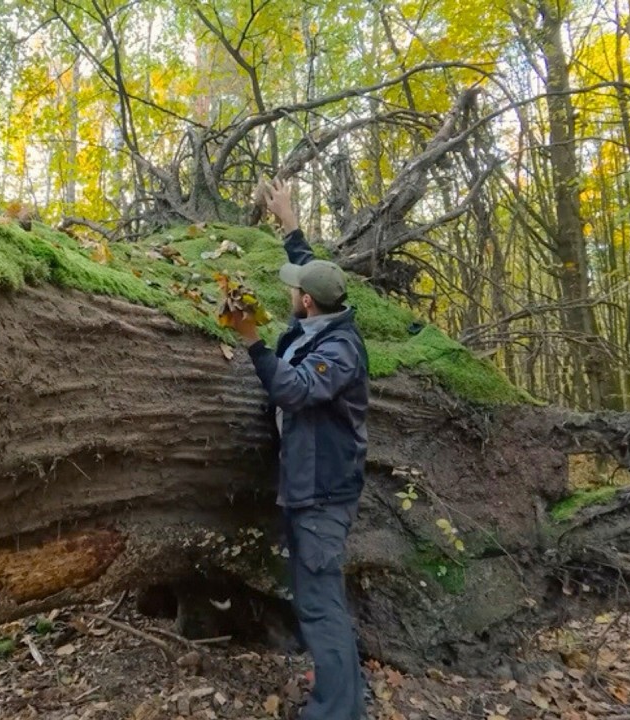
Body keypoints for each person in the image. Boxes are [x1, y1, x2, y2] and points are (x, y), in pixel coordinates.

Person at [226, 179, 369, 720]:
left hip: (323, 496)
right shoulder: (324, 314)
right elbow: (308, 262)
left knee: (320, 605)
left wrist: (251, 340)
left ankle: (335, 713)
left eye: (294, 290)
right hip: (308, 487)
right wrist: (287, 217)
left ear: (306, 302)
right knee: (319, 601)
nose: (290, 292)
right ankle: (344, 701)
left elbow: (297, 389)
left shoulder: (340, 348)